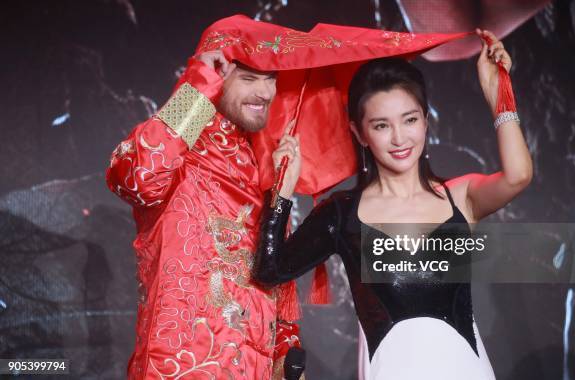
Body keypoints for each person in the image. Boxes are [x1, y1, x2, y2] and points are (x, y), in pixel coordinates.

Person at [253, 29, 532, 379]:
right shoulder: (341, 214)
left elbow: (518, 175)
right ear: (359, 133)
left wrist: (498, 96)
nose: (399, 138)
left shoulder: (459, 196)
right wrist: (281, 195)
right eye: (382, 125)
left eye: (410, 120)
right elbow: (270, 269)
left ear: (426, 121)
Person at [106, 46, 301, 378]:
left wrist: (287, 355)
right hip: (180, 366)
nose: (265, 92)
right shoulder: (183, 147)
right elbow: (136, 177)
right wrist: (196, 88)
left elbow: (276, 279)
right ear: (217, 78)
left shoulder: (264, 160)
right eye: (249, 78)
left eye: (271, 80)